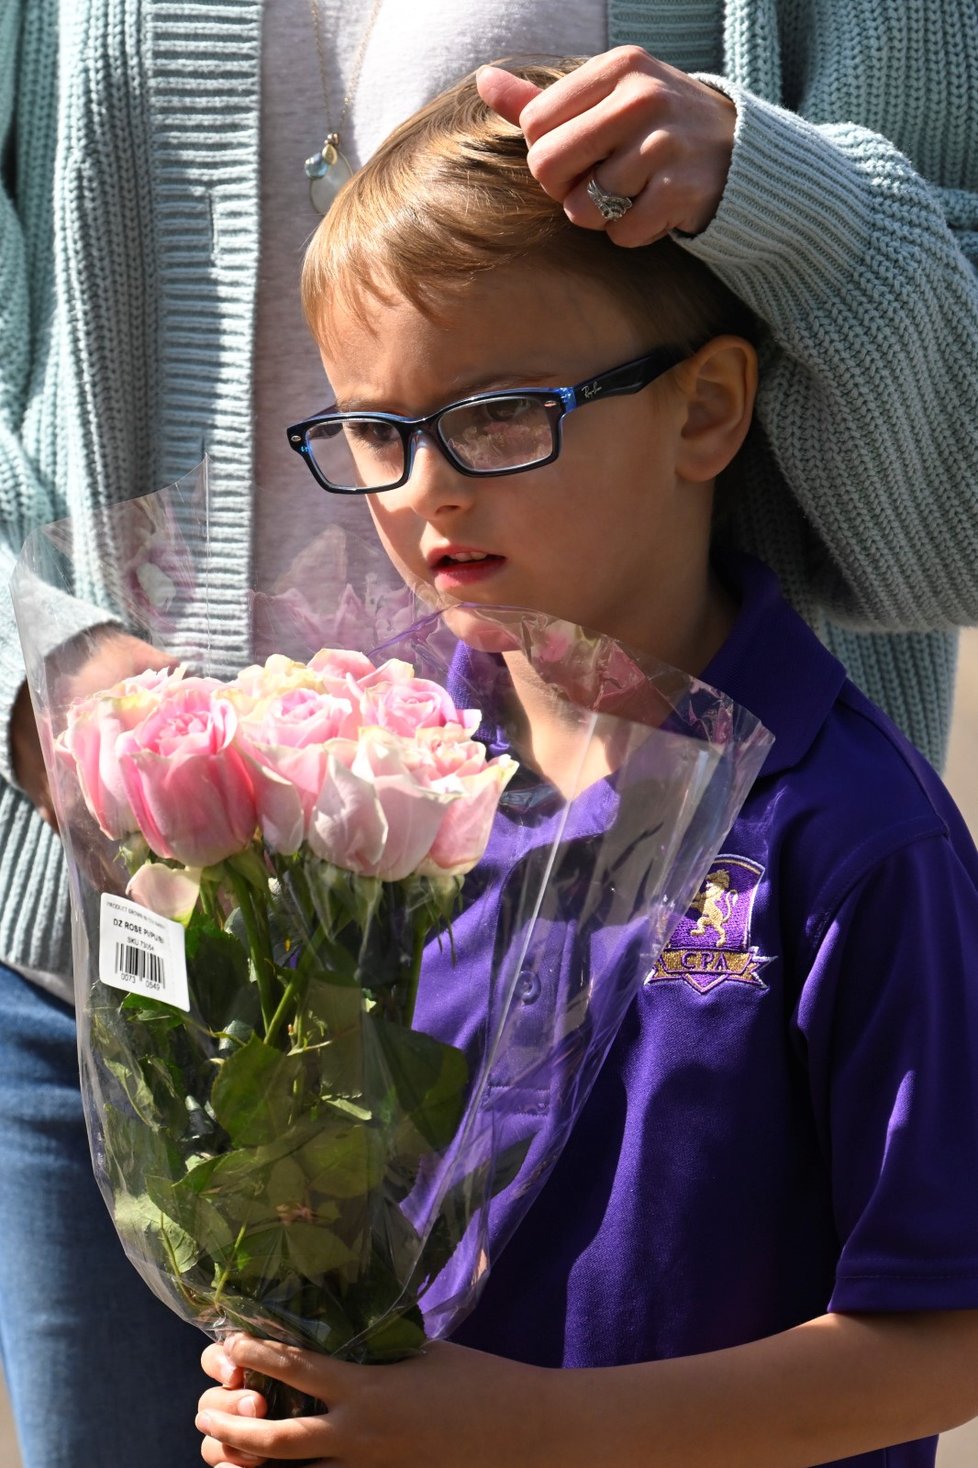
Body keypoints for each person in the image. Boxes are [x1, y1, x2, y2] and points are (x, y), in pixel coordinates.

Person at [2, 4, 978, 1464]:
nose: (422, 496)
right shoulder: (381, 821)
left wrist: (529, 1429)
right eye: (374, 433)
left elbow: (944, 1334)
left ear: (706, 411)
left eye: (502, 415)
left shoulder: (851, 837)